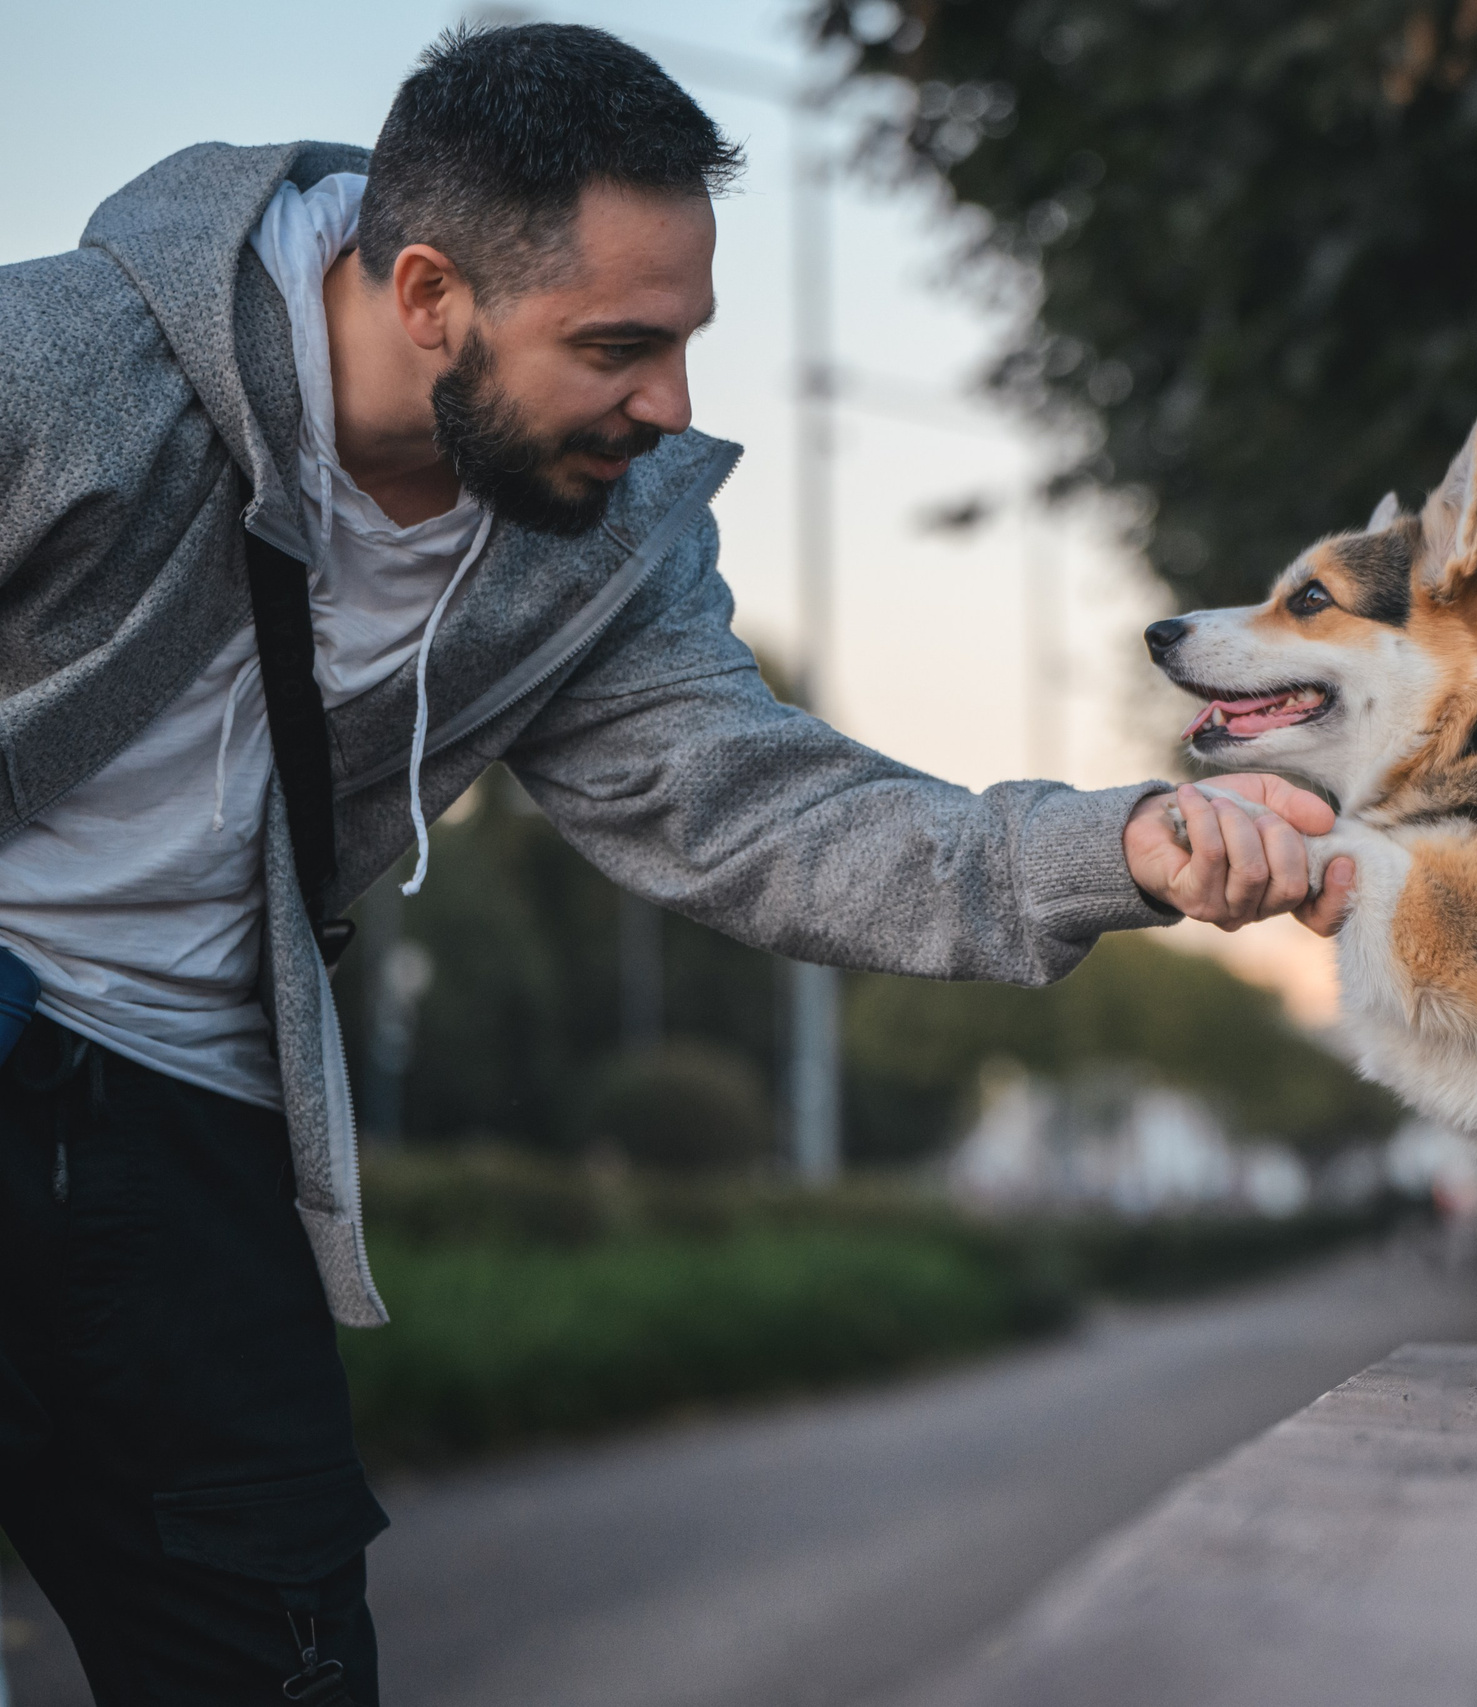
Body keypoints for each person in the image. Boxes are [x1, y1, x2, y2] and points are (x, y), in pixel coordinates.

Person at [0, 24, 1350, 1704]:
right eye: (618, 348)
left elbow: (770, 815)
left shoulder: (604, 543)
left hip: (186, 1132)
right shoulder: (59, 369)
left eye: (687, 341)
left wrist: (1120, 847)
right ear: (428, 296)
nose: (672, 407)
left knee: (275, 1661)